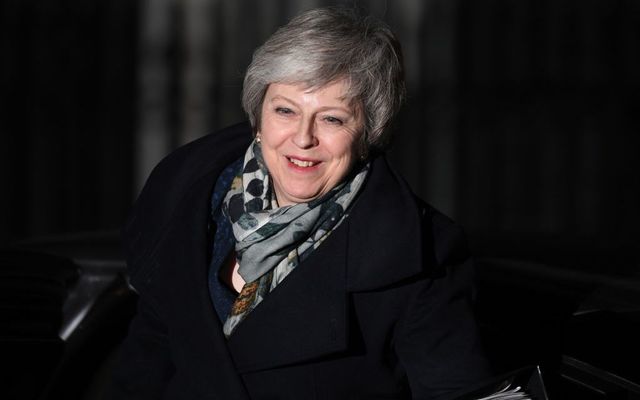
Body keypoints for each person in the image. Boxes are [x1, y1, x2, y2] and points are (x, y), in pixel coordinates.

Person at [108, 7, 491, 400]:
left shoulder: (419, 255)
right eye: (285, 110)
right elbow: (146, 361)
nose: (303, 138)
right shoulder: (188, 197)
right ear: (258, 117)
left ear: (368, 134)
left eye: (333, 119)